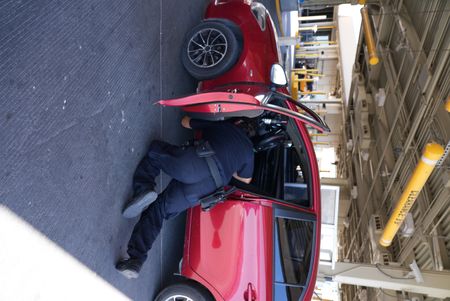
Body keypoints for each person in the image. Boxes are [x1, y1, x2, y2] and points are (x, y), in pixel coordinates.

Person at [115, 116, 254, 279]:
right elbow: (246, 179)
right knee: (159, 210)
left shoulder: (225, 126)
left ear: (238, 122)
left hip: (194, 164)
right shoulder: (248, 151)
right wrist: (231, 166)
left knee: (155, 152)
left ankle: (143, 188)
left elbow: (185, 122)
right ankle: (135, 259)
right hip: (207, 188)